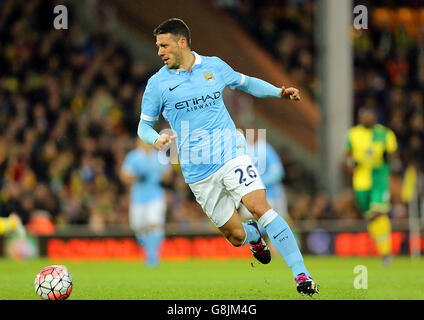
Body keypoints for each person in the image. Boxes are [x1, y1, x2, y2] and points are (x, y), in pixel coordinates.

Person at [138, 18, 318, 295]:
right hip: (197, 170)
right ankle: (254, 236)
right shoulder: (157, 84)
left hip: (230, 152)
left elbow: (245, 83)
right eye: (157, 46)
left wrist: (278, 92)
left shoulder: (214, 66)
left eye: (164, 45)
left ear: (182, 42)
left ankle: (301, 275)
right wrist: (156, 138)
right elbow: (143, 126)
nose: (160, 52)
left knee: (260, 207)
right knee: (235, 237)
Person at [345, 106, 398, 266]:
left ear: (374, 116)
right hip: (360, 181)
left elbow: (394, 156)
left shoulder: (385, 134)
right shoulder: (353, 134)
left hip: (379, 179)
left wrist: (389, 160)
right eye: (362, 115)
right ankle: (384, 252)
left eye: (368, 115)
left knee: (378, 212)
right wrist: (351, 163)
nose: (364, 118)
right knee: (371, 217)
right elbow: (347, 156)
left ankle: (387, 252)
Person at [121, 138, 171, 267]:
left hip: (155, 195)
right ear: (138, 142)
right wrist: (136, 176)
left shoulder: (159, 156)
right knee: (138, 226)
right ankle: (148, 252)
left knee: (155, 223)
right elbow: (124, 176)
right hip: (138, 197)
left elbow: (168, 176)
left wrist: (160, 174)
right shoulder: (133, 156)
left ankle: (154, 255)